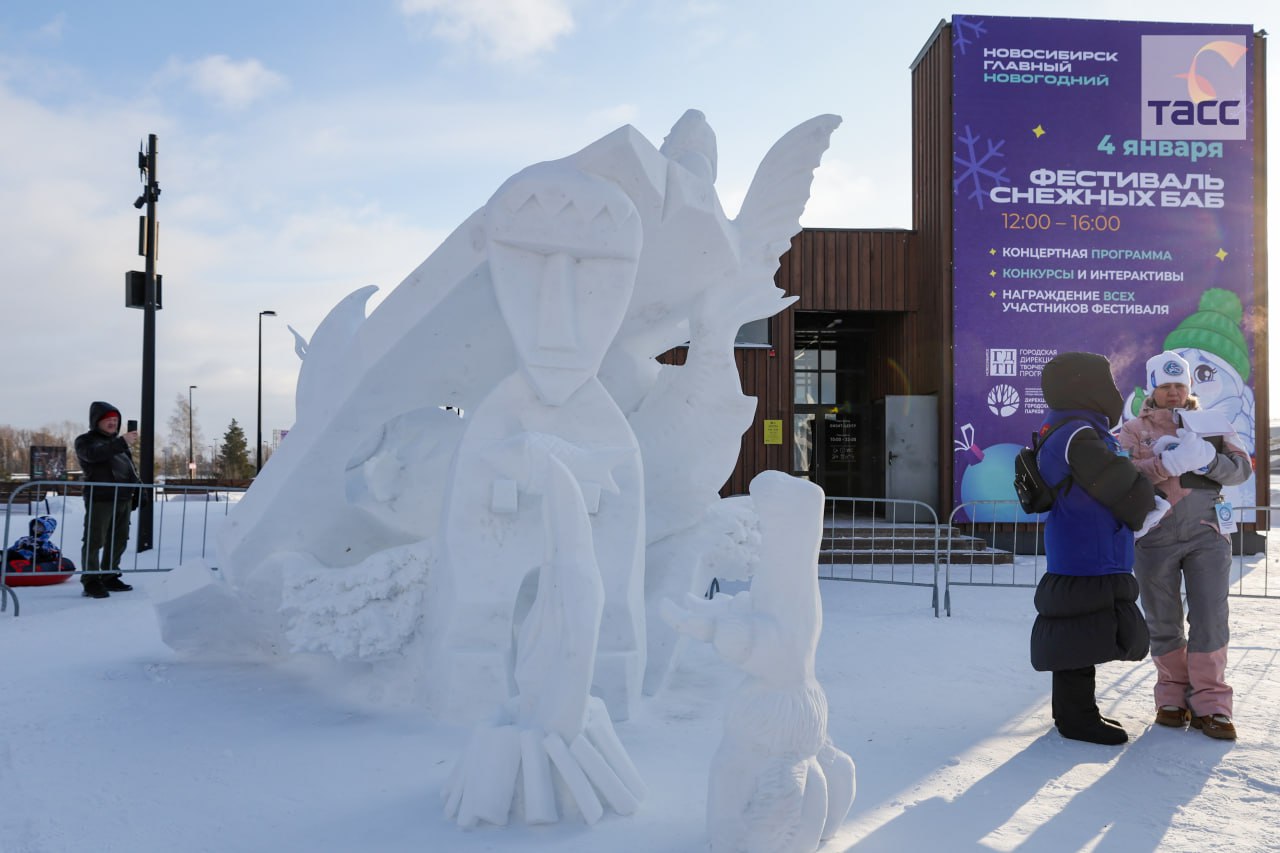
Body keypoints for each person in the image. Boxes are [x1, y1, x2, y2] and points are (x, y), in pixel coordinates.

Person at [1029, 352, 1164, 745]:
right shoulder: (1078, 434)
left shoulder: (1066, 428)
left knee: (1080, 630)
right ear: (1086, 386)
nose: (1114, 391)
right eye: (1106, 381)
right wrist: (1153, 501)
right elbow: (1124, 488)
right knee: (1080, 633)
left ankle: (1076, 713)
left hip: (1082, 545)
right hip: (1090, 549)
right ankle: (1076, 719)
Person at [1118, 350, 1251, 740]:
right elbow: (1119, 475)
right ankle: (1172, 697)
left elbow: (1241, 468)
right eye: (1166, 386)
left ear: (1189, 387)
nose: (1174, 393)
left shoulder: (1212, 423)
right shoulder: (1132, 429)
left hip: (1206, 534)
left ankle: (1212, 704)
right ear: (1153, 389)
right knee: (1163, 620)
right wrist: (1163, 465)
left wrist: (1207, 459)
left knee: (1210, 616)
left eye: (1180, 385)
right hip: (1154, 538)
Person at [74, 401, 141, 599]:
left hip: (123, 498)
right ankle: (91, 580)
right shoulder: (85, 441)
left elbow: (128, 468)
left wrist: (138, 490)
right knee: (95, 539)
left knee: (119, 539)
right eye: (108, 420)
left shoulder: (118, 444)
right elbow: (94, 456)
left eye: (115, 420)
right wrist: (121, 442)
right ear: (97, 421)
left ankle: (109, 574)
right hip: (101, 498)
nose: (112, 423)